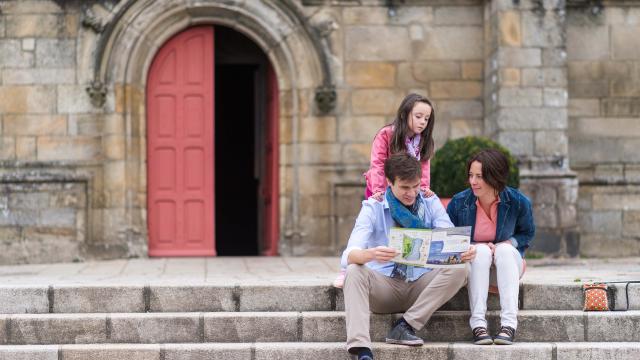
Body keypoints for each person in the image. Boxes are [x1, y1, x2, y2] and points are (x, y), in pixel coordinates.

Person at [342, 153, 476, 360]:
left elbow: (450, 239)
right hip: (384, 287)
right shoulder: (373, 207)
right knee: (353, 270)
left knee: (462, 267)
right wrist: (370, 254)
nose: (412, 193)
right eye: (405, 187)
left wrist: (464, 250)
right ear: (389, 182)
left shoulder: (430, 202)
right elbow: (349, 255)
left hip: (421, 285)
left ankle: (406, 325)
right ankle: (362, 349)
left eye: (415, 186)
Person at [334, 93, 437, 288]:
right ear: (405, 113)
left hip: (407, 192)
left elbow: (423, 168)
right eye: (418, 116)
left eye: (426, 118)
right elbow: (378, 164)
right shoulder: (386, 134)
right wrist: (379, 190)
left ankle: (406, 265)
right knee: (369, 229)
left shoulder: (424, 141)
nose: (422, 122)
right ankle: (347, 269)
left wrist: (424, 189)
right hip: (380, 189)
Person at [446, 149, 535, 346]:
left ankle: (509, 325)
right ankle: (478, 325)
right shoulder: (459, 203)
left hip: (507, 266)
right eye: (471, 175)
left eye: (479, 176)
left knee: (503, 250)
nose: (473, 181)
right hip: (475, 268)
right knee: (482, 251)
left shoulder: (518, 202)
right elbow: (448, 238)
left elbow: (526, 233)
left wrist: (507, 243)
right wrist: (473, 246)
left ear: (494, 177)